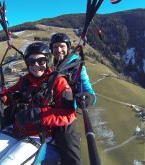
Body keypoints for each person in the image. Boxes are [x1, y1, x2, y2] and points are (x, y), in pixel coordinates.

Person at [0, 42, 78, 165]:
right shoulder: (25, 80)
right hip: (17, 129)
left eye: (41, 61)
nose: (36, 65)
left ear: (47, 61)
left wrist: (39, 114)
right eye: (31, 62)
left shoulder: (58, 82)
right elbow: (10, 93)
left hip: (39, 134)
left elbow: (69, 113)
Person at [49, 32, 97, 165]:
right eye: (55, 47)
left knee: (68, 144)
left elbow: (88, 89)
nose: (59, 50)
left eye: (62, 46)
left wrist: (88, 97)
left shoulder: (76, 65)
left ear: (68, 47)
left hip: (66, 112)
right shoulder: (51, 64)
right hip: (48, 109)